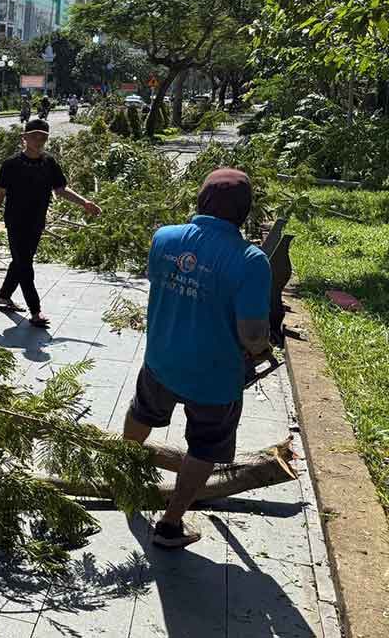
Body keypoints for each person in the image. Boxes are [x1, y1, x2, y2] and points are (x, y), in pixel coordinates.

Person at [122, 168, 272, 549]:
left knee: (142, 413)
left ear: (202, 199)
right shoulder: (251, 261)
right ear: (244, 211)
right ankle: (170, 525)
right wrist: (263, 348)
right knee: (205, 445)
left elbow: (163, 284)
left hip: (161, 360)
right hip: (214, 379)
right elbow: (252, 334)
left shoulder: (164, 238)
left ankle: (121, 476)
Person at [0, 118, 101, 328]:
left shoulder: (49, 163)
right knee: (25, 264)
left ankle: (4, 296)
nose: (38, 140)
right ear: (24, 138)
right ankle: (35, 311)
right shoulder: (11, 164)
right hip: (15, 221)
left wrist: (84, 202)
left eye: (43, 137)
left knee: (21, 261)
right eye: (34, 136)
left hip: (37, 221)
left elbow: (61, 189)